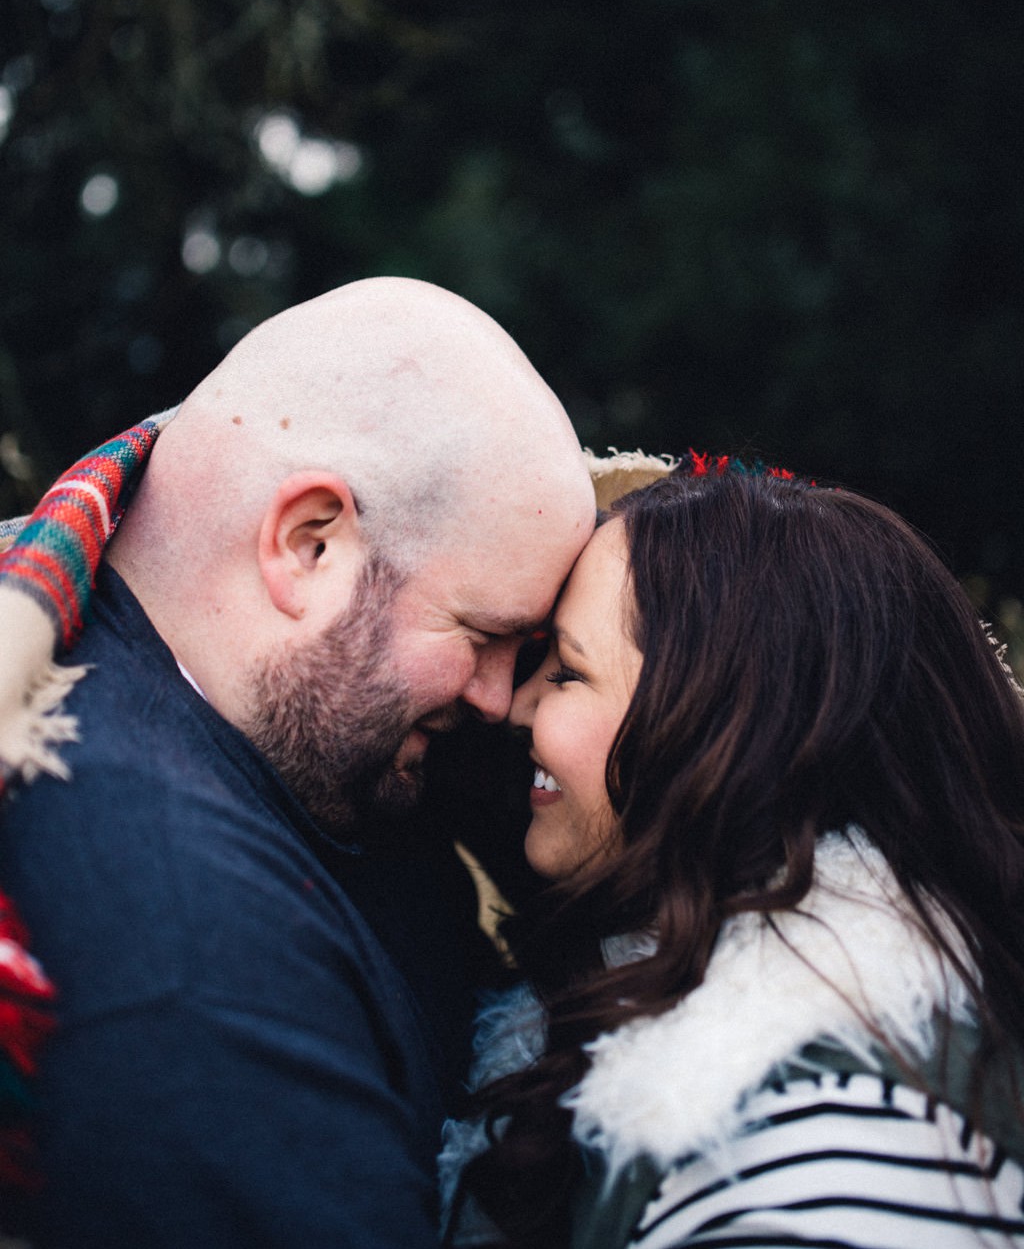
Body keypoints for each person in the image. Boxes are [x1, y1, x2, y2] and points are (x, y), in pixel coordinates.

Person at [0, 277, 595, 1248]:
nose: (502, 699)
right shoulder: (183, 947)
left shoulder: (303, 752)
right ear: (309, 543)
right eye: (483, 633)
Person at [442, 460, 1024, 1248]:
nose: (515, 703)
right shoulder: (696, 1020)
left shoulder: (826, 1141)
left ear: (729, 739)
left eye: (570, 670)